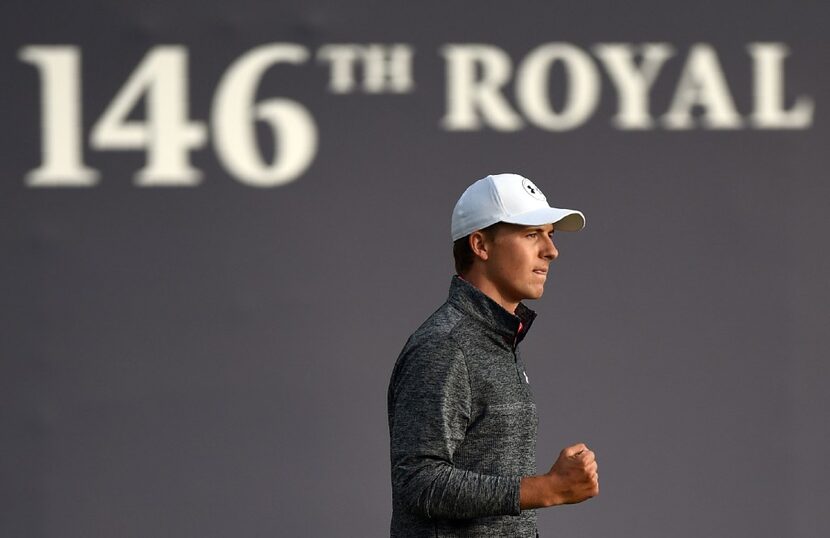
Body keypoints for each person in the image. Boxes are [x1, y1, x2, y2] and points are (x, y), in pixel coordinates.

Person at [387, 173, 599, 537]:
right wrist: (545, 489)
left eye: (551, 235)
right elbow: (418, 482)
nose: (551, 250)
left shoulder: (498, 339)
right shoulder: (445, 345)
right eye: (532, 234)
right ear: (480, 245)